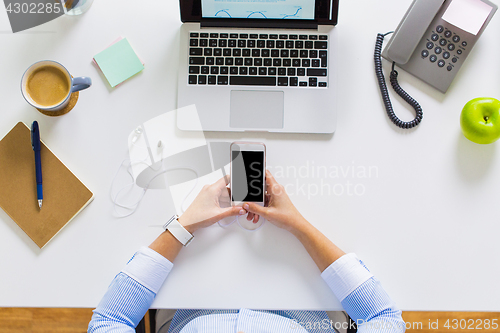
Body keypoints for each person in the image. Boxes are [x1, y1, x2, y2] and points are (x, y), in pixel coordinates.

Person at [88, 171, 405, 333]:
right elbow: (383, 318)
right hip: (301, 294)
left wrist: (184, 226)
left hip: (193, 293)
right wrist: (299, 226)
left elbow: (109, 320)